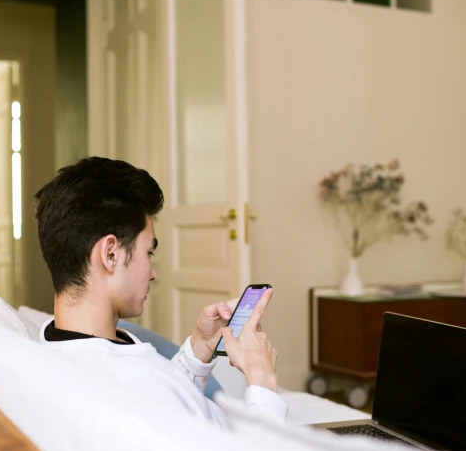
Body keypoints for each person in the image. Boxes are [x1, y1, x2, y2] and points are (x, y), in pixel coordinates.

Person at [34, 157, 288, 426]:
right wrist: (262, 381)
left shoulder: (60, 340)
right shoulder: (128, 381)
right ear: (110, 254)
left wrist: (199, 348)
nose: (153, 273)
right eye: (148, 252)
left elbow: (167, 405)